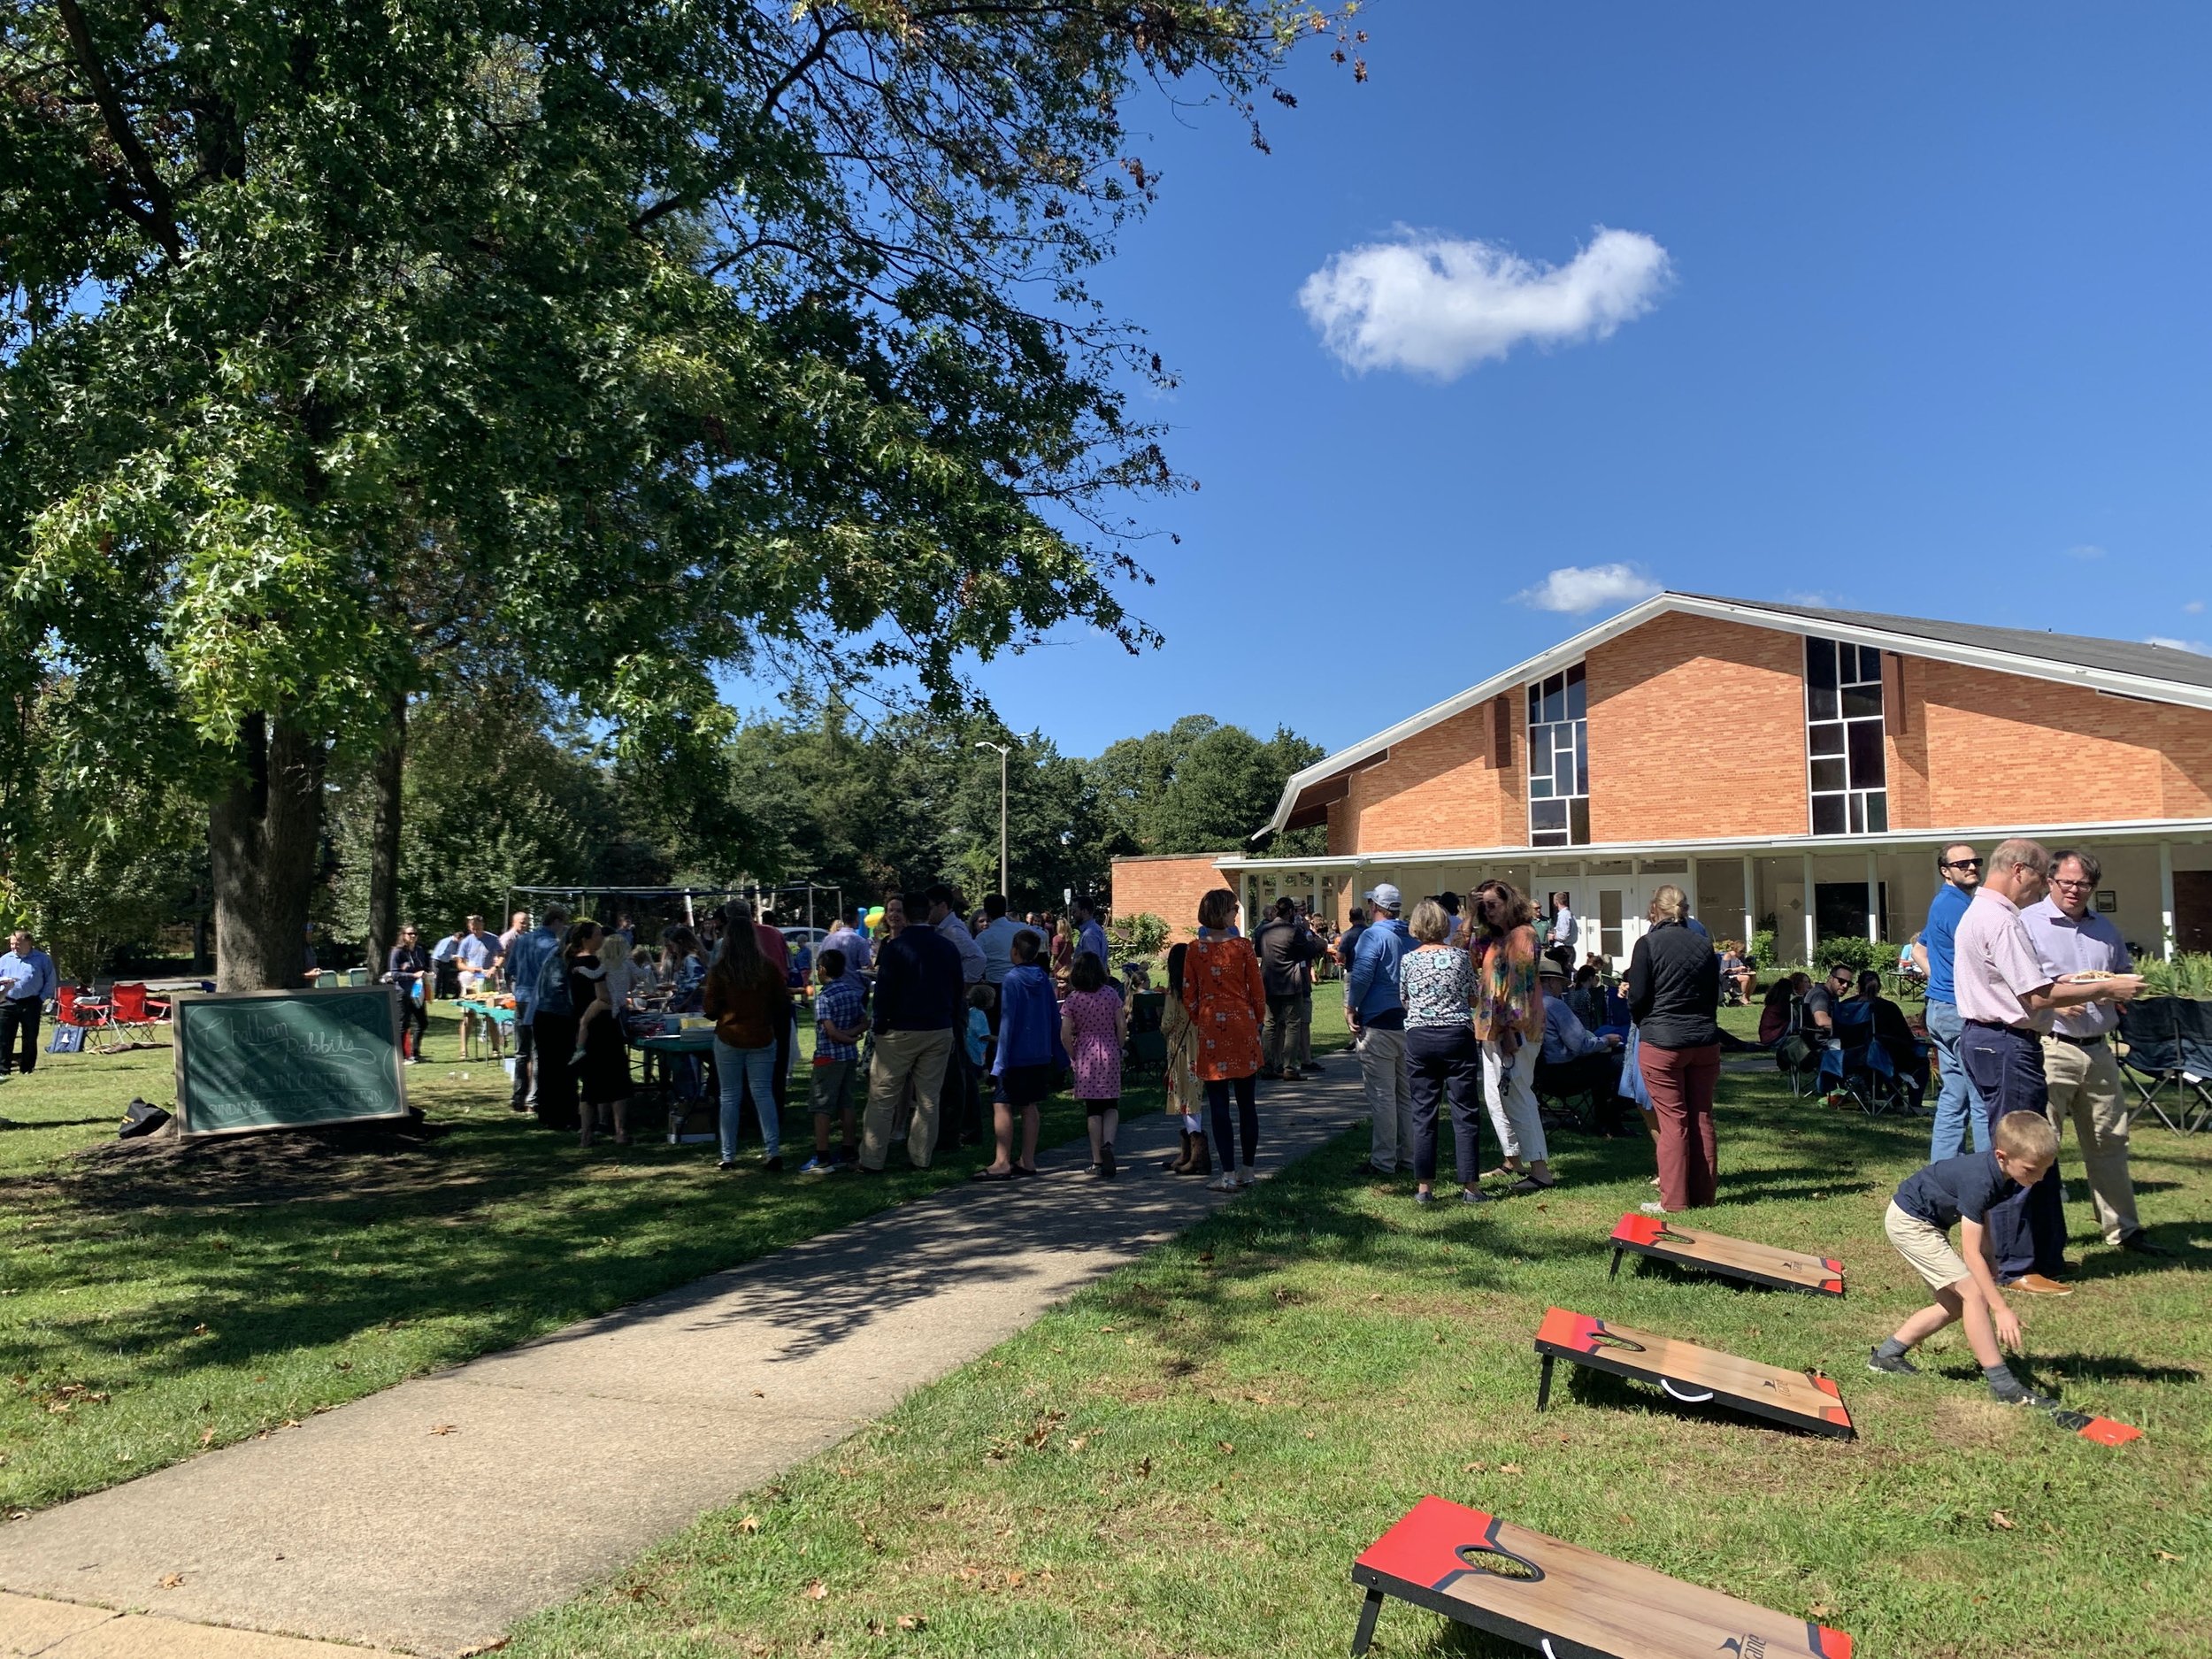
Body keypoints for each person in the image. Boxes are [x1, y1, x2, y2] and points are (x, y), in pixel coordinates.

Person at [1953, 837, 2141, 1294]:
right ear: (2020, 871)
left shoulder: (1986, 913)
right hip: (2003, 1042)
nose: (2040, 892)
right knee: (2019, 1153)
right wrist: (2105, 989)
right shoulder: (2001, 919)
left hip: (2001, 1040)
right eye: (2041, 881)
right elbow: (2036, 996)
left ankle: (2046, 1255)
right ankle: (2016, 1266)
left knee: (2041, 1148)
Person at [2021, 849, 2169, 1258]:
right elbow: (2020, 981)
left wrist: (2121, 990)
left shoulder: (2105, 928)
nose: (2073, 890)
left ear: (2092, 887)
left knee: (2109, 1140)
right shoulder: (2027, 923)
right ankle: (2042, 1239)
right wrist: (2055, 996)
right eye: (2066, 882)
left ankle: (2124, 1230)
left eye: (2082, 884)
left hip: (2098, 1049)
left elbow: (2118, 975)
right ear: (2050, 881)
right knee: (2042, 1145)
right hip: (2052, 1046)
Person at [1868, 1111, 2064, 1409]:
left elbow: (1981, 1213)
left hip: (1927, 1222)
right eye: (2032, 1169)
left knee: (1955, 1305)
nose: (2039, 1177)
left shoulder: (2006, 1175)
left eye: (2046, 1170)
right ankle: (2004, 1386)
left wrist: (1991, 1256)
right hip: (1911, 1222)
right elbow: (1970, 1252)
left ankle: (1887, 1355)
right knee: (1975, 1294)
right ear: (2003, 1155)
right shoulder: (1981, 1180)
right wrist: (2000, 1307)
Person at [1628, 882, 1721, 1214]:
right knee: (1701, 1116)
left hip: (1662, 1040)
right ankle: (1705, 1195)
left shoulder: (1648, 944)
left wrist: (1644, 1021)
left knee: (1673, 1122)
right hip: (1704, 1039)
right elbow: (1715, 995)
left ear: (1656, 909)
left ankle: (1674, 1201)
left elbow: (1638, 996)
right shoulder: (1704, 945)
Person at [859, 895, 963, 1172]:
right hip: (938, 1028)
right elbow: (957, 989)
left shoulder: (896, 948)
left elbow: (884, 990)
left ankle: (872, 1159)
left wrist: (880, 1025)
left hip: (900, 1029)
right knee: (929, 1098)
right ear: (928, 913)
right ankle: (921, 1156)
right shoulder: (947, 947)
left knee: (882, 1096)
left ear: (906, 914)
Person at [1398, 898, 1486, 1207]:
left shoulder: (1408, 961)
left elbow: (1405, 1000)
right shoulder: (1460, 959)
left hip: (1420, 1037)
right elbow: (1474, 999)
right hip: (1456, 1035)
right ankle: (1471, 1186)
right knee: (1465, 1110)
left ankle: (1424, 1186)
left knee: (1424, 1111)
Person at [1471, 879, 1552, 1193]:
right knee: (1496, 1097)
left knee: (1518, 1095)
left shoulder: (1523, 936)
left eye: (1493, 904)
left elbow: (1519, 989)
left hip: (1514, 1030)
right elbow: (1464, 951)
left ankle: (1540, 1169)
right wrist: (1469, 912)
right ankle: (1512, 1159)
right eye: (1484, 906)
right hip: (1491, 1027)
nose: (1488, 911)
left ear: (1510, 903)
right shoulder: (1494, 940)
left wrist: (1509, 1031)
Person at [1186, 888, 1265, 1193]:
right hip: (1242, 1024)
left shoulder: (1195, 950)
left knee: (1219, 1103)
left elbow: (1188, 992)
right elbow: (1257, 989)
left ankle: (1228, 1173)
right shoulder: (1243, 947)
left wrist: (1201, 1018)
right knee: (1247, 1103)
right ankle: (1248, 1169)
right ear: (1223, 912)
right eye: (1233, 908)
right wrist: (1256, 1018)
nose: (1237, 912)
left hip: (1211, 1026)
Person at [703, 902, 788, 1171]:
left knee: (729, 1097)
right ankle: (772, 1150)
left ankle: (728, 1155)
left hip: (729, 1035)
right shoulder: (768, 968)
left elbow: (709, 1008)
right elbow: (781, 1003)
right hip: (762, 1035)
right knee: (763, 1094)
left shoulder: (721, 970)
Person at [1916, 842, 1987, 1159]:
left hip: (1941, 1008)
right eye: (1962, 865)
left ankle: (1942, 1175)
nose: (1971, 867)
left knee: (1954, 1097)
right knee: (1983, 1098)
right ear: (1945, 871)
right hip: (1960, 1012)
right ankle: (1991, 1179)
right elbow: (1985, 958)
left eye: (1975, 862)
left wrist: (1938, 979)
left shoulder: (1943, 902)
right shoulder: (1958, 907)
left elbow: (1920, 947)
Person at [976, 929, 1064, 1180]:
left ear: (1014, 950)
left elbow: (1008, 1021)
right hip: (1039, 1053)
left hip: (1015, 1053)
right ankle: (1028, 1159)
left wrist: (999, 1060)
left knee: (1002, 1103)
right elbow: (1053, 1017)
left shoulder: (1011, 979)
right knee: (1029, 1105)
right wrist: (1059, 1053)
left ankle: (1001, 1161)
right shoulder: (1043, 979)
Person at [1345, 883, 1416, 1178]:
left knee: (1383, 1095)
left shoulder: (1372, 936)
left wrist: (1351, 1006)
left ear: (1375, 907)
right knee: (1406, 1094)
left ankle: (1383, 1160)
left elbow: (1362, 974)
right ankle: (1410, 1157)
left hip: (1378, 1021)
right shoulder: (1411, 936)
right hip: (1408, 1021)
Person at [926, 884, 988, 1145]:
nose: (926, 913)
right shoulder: (945, 929)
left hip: (953, 1005)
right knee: (957, 1066)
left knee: (957, 1068)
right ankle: (966, 1125)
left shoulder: (952, 931)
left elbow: (977, 958)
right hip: (951, 1002)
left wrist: (961, 986)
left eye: (930, 907)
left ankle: (965, 1127)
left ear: (942, 905)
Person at [1537, 961, 1626, 1133]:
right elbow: (1579, 1046)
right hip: (1564, 1074)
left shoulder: (1527, 1005)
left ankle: (1605, 1119)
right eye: (1560, 983)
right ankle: (1612, 1119)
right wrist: (1606, 1040)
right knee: (1618, 1061)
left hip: (1539, 1076)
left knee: (1602, 1063)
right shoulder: (1555, 1005)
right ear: (1550, 981)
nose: (1562, 987)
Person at [1061, 951, 1128, 1179]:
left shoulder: (1073, 999)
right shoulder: (1110, 994)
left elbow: (1065, 1033)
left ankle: (1097, 1159)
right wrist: (1118, 1046)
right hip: (1108, 1048)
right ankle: (1109, 1144)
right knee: (1111, 1104)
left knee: (1093, 1108)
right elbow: (1121, 1024)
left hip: (1086, 1052)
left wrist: (1073, 1054)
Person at [801, 948, 864, 1173]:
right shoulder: (851, 992)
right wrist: (853, 1036)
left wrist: (844, 1037)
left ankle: (822, 1154)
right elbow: (864, 1021)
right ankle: (848, 1149)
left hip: (828, 1057)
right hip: (849, 1057)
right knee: (846, 1103)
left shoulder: (824, 997)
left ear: (823, 970)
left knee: (822, 1106)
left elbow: (830, 1031)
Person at [568, 922, 632, 1148]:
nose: (602, 939)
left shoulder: (573, 962)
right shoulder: (594, 962)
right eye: (597, 935)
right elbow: (603, 996)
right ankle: (621, 1132)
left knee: (590, 1083)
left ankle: (587, 1134)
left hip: (583, 1026)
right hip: (603, 1026)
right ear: (586, 939)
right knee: (618, 1079)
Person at [505, 904, 568, 1117]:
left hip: (521, 997)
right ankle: (534, 1097)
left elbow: (510, 969)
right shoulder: (551, 945)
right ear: (556, 921)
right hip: (539, 1000)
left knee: (521, 1052)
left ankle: (517, 1096)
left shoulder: (522, 940)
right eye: (564, 923)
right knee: (539, 1051)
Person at [1255, 896, 1323, 1081]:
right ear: (1291, 911)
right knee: (1293, 1024)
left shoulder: (1263, 930)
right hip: (1291, 983)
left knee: (1269, 1024)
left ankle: (1268, 1065)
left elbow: (1258, 952)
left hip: (1269, 982)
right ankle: (1289, 1067)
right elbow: (1309, 951)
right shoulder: (1293, 931)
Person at [1159, 942, 1210, 1178]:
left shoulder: (1174, 991)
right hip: (1198, 1043)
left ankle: (1197, 1154)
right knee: (1193, 1097)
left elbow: (1168, 1022)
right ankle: (1190, 1150)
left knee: (1186, 1099)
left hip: (1180, 1048)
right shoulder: (1199, 987)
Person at [1854, 970, 1927, 1109]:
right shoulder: (1888, 1007)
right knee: (1919, 1060)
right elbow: (1906, 1037)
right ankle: (1914, 1104)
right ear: (1879, 988)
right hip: (1883, 1060)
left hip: (1852, 1059)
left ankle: (1871, 1094)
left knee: (1886, 1052)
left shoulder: (1846, 1005)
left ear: (1858, 987)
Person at [0, 932, 58, 1078]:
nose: (14, 947)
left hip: (31, 1002)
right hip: (8, 1002)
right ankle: (3, 1069)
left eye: (17, 944)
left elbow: (50, 981)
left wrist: (41, 998)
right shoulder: (5, 960)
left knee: (30, 1037)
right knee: (4, 1037)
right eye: (12, 944)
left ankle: (27, 1068)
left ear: (28, 943)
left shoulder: (42, 959)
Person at [973, 894, 1043, 987]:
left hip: (996, 985)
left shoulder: (983, 937)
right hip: (1024, 982)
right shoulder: (1023, 928)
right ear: (1005, 909)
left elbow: (976, 960)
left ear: (986, 912)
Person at [387, 925, 431, 1064]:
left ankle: (415, 1053)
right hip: (402, 992)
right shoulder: (397, 952)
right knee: (403, 1024)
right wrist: (413, 975)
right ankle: (400, 1056)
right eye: (410, 934)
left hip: (418, 992)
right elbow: (393, 974)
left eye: (415, 934)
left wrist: (428, 974)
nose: (413, 936)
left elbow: (424, 968)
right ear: (403, 935)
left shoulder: (419, 950)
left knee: (423, 1022)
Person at [661, 926, 707, 1012]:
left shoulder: (690, 960)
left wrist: (683, 1004)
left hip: (692, 1008)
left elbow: (696, 985)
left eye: (674, 945)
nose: (673, 949)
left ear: (680, 943)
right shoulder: (687, 959)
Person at [823, 906, 873, 974]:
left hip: (831, 982)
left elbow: (820, 961)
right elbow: (866, 965)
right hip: (852, 982)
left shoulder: (827, 939)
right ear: (857, 918)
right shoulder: (860, 942)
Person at [1072, 895, 1111, 975]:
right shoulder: (1094, 930)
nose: (1072, 915)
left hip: (1090, 984)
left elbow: (1091, 966)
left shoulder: (1090, 934)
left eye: (1074, 911)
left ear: (1084, 911)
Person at [1757, 977, 1799, 1048]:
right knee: (1797, 1023)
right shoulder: (1781, 1006)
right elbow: (1793, 1016)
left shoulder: (1774, 1002)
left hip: (1768, 1038)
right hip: (1773, 1038)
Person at [1546, 891, 1578, 976]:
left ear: (1556, 902)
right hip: (1569, 949)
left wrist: (1552, 936)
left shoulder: (1564, 915)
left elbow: (1563, 936)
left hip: (1564, 950)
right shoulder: (1570, 914)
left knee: (1561, 974)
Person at [429, 926, 465, 1001]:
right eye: (461, 940)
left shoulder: (456, 943)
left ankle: (444, 995)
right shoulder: (447, 941)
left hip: (446, 961)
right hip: (438, 961)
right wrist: (452, 957)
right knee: (438, 978)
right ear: (457, 938)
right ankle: (435, 996)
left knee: (446, 978)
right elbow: (441, 954)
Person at [1717, 940, 1755, 1005]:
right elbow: (1723, 971)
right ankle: (1743, 998)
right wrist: (1738, 969)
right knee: (1746, 978)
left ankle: (1747, 997)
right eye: (1741, 951)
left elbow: (1744, 965)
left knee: (1753, 976)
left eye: (1744, 951)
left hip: (1738, 974)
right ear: (1735, 949)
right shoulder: (1728, 956)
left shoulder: (1741, 956)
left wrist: (1746, 969)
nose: (1742, 953)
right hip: (1728, 976)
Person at [1334, 906, 1369, 972]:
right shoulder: (1372, 933)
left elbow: (1339, 956)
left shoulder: (1347, 935)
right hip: (1370, 971)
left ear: (1350, 920)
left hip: (1353, 970)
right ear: (1363, 918)